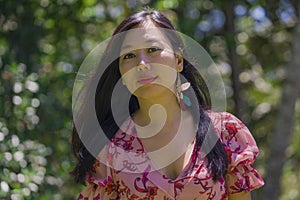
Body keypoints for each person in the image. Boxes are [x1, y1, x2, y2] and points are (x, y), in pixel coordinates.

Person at [71, 10, 264, 200]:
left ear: (178, 61)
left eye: (153, 49)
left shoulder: (225, 132)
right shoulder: (110, 151)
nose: (142, 63)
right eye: (128, 56)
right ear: (122, 74)